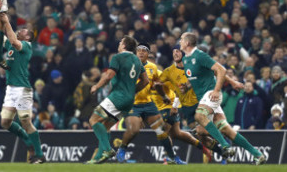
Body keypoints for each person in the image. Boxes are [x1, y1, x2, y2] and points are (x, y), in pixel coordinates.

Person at [179, 32, 267, 164]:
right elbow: (197, 77)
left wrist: (216, 90)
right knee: (203, 133)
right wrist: (186, 86)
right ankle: (258, 154)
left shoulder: (200, 55)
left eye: (181, 39)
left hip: (211, 94)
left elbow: (221, 70)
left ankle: (225, 146)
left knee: (199, 116)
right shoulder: (186, 59)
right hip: (205, 99)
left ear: (187, 43)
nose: (179, 41)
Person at [114, 43, 183, 164]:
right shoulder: (126, 65)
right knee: (134, 129)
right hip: (132, 104)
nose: (141, 52)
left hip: (148, 104)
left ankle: (172, 157)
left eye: (144, 51)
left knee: (161, 131)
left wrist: (164, 96)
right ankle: (122, 148)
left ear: (148, 54)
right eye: (138, 50)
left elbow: (157, 84)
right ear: (135, 53)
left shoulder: (153, 67)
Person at [0, 0, 45, 163]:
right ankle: (27, 140)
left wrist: (6, 20)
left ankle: (39, 154)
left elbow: (13, 39)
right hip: (10, 89)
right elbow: (1, 35)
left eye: (24, 30)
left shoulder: (26, 46)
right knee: (5, 122)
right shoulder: (11, 43)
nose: (21, 30)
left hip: (22, 89)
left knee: (25, 122)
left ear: (28, 37)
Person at [86, 35, 146, 164]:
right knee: (106, 126)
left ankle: (107, 150)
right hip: (129, 100)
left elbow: (109, 76)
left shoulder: (117, 57)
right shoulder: (137, 60)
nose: (119, 44)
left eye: (120, 42)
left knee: (93, 120)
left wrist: (97, 86)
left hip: (117, 97)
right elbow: (146, 81)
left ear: (124, 45)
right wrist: (132, 90)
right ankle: (98, 158)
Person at [159, 45, 223, 158]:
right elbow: (158, 83)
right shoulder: (169, 71)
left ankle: (225, 132)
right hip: (186, 107)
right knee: (201, 136)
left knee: (201, 130)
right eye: (174, 51)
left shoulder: (194, 66)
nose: (175, 53)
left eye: (178, 51)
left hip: (200, 102)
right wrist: (173, 104)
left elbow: (213, 74)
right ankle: (224, 153)